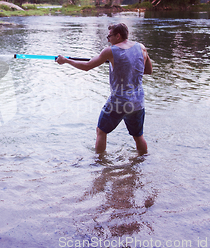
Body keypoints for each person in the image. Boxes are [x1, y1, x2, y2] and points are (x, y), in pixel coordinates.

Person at [56, 23, 152, 154]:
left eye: (109, 36)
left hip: (119, 101)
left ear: (118, 36)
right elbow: (148, 70)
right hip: (138, 102)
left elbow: (87, 66)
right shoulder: (141, 48)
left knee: (101, 131)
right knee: (138, 136)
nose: (108, 39)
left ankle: (99, 164)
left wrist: (66, 61)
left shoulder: (110, 51)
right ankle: (142, 162)